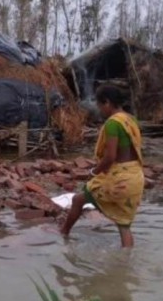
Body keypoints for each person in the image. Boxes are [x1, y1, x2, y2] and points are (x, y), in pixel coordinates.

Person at [60, 85, 144, 247]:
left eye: (99, 105)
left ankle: (64, 233)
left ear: (107, 103)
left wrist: (94, 171)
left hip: (119, 179)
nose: (99, 110)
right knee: (124, 225)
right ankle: (126, 263)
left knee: (78, 200)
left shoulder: (113, 124)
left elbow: (110, 157)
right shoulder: (131, 120)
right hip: (135, 177)